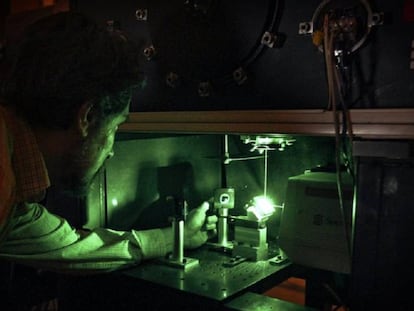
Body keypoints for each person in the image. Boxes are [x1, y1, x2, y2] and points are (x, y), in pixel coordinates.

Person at [0, 11, 217, 273]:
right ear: (87, 117)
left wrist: (176, 237)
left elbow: (71, 247)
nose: (112, 151)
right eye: (115, 126)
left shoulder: (12, 200)